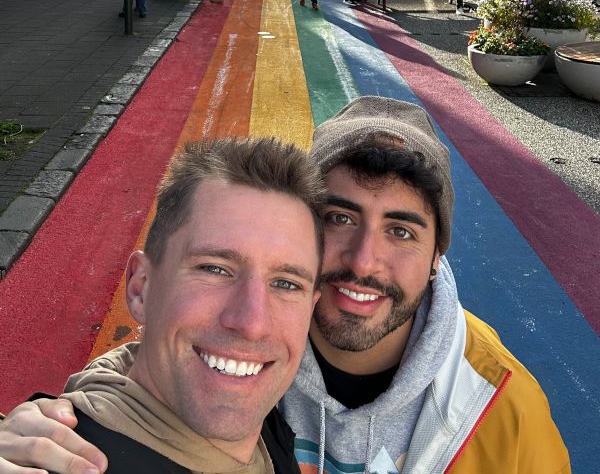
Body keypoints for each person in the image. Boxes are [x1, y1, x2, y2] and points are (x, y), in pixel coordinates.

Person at [0, 97, 570, 474]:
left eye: (401, 231)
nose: (364, 260)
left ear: (437, 258)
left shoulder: (502, 406)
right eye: (340, 219)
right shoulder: (250, 361)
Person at [0, 136, 325, 474]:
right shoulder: (60, 460)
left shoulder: (268, 421)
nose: (252, 323)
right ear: (141, 288)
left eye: (286, 284)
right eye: (214, 269)